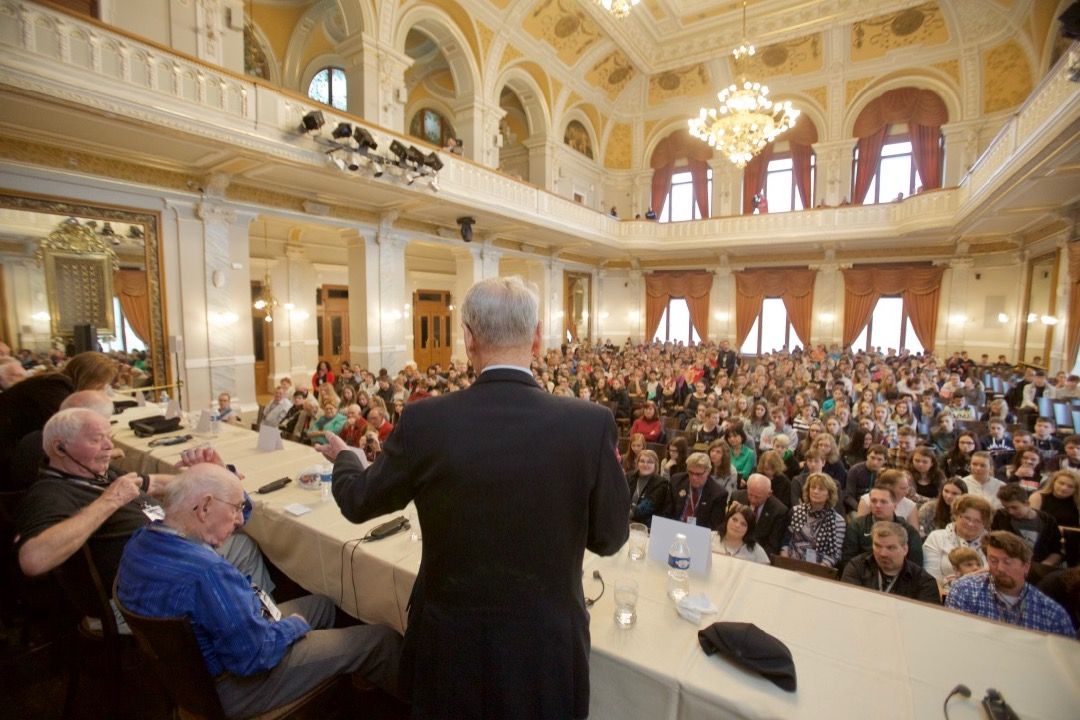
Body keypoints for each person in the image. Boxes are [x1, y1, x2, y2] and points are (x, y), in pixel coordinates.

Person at [320, 276, 629, 719]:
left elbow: (358, 503)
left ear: (467, 338)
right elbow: (610, 538)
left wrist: (348, 458)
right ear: (537, 336)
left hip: (450, 644)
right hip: (546, 646)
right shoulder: (589, 424)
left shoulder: (426, 421)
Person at [115, 464, 405, 717]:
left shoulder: (141, 540)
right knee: (378, 639)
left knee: (325, 605)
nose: (241, 520)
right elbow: (254, 656)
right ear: (204, 507)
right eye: (236, 509)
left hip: (189, 673)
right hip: (231, 686)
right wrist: (293, 628)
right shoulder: (208, 572)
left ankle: (344, 685)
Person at [15, 409, 271, 594]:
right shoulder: (50, 493)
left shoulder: (99, 473)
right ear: (60, 448)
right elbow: (33, 560)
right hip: (147, 586)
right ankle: (251, 626)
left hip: (165, 554)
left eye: (109, 436)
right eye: (96, 439)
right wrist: (110, 501)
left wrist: (212, 477)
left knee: (232, 525)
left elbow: (157, 483)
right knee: (243, 545)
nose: (109, 446)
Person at [946, 531, 1075, 638]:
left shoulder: (1052, 613)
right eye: (993, 560)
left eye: (1007, 562)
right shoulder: (964, 590)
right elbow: (954, 639)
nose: (1000, 568)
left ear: (1026, 566)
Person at [840, 521, 940, 604]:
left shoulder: (923, 582)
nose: (883, 554)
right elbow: (847, 604)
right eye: (878, 546)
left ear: (905, 549)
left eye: (890, 548)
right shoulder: (857, 567)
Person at [841, 472, 924, 571]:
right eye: (874, 501)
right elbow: (847, 560)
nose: (878, 505)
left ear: (894, 505)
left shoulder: (908, 531)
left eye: (883, 502)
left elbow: (915, 565)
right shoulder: (857, 526)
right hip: (862, 576)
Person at [923, 495, 992, 594]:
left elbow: (994, 583)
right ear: (955, 516)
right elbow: (930, 579)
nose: (971, 524)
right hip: (942, 596)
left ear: (985, 523)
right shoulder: (937, 537)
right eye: (967, 518)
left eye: (977, 521)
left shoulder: (992, 545)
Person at [991, 484, 1062, 576]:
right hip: (1008, 567)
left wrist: (1042, 566)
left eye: (1014, 507)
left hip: (1039, 569)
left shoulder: (1048, 520)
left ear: (1027, 503)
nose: (1010, 512)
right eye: (1006, 508)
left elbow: (1056, 551)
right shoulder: (1001, 517)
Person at [781, 473, 846, 568]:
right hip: (791, 563)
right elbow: (785, 541)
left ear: (829, 494)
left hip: (819, 568)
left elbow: (834, 554)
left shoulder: (838, 521)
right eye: (813, 487)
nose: (815, 491)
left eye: (821, 489)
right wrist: (785, 560)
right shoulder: (796, 511)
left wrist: (818, 569)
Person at [728, 473, 789, 557]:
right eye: (750, 494)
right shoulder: (737, 497)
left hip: (758, 555)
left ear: (769, 494)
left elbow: (772, 546)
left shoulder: (779, 511)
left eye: (757, 497)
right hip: (731, 548)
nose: (753, 500)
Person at [667, 452, 728, 531]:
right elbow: (666, 513)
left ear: (708, 471)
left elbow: (713, 527)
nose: (694, 478)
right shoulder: (676, 481)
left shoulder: (718, 494)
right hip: (674, 528)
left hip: (700, 533)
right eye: (691, 472)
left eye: (699, 474)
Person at [1030, 470, 1080, 567]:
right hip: (1042, 542)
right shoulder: (1038, 497)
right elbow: (1030, 524)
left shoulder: (1077, 504)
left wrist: (1064, 531)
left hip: (1069, 544)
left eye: (1070, 486)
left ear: (1076, 489)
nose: (1064, 488)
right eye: (1061, 483)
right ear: (1053, 482)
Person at [626, 449, 670, 528]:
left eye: (650, 462)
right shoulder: (629, 476)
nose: (645, 464)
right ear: (637, 463)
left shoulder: (661, 483)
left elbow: (646, 507)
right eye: (642, 461)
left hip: (646, 525)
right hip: (626, 521)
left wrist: (623, 515)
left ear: (655, 465)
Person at [844, 444, 887, 514]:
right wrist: (860, 508)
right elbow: (848, 496)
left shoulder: (884, 474)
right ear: (867, 456)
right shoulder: (855, 470)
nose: (875, 462)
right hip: (856, 507)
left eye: (879, 459)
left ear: (885, 461)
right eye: (872, 458)